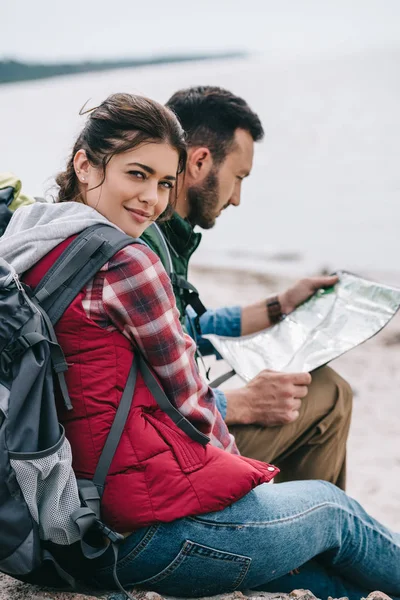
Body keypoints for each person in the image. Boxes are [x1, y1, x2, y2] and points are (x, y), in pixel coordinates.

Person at [1, 93, 399, 600]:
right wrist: (246, 493)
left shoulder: (30, 244)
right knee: (336, 513)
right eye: (137, 174)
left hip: (60, 524)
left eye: (164, 183)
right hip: (134, 535)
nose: (152, 198)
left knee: (329, 580)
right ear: (85, 164)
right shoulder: (127, 260)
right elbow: (194, 401)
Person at [142, 86, 352, 490]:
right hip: (164, 464)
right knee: (328, 394)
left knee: (316, 384)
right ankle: (314, 533)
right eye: (238, 178)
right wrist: (238, 403)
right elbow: (135, 397)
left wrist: (280, 304)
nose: (237, 198)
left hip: (169, 440)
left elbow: (189, 329)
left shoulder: (165, 235)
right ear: (201, 161)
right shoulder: (145, 248)